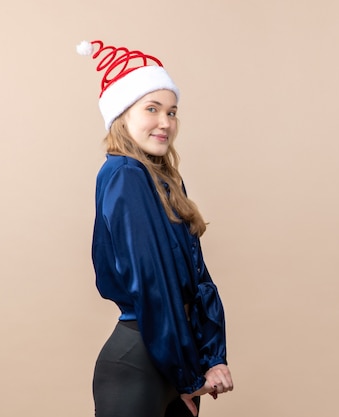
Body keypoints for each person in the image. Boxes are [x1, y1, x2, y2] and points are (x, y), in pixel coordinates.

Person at [77, 39, 234, 417]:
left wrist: (212, 358)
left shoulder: (165, 180)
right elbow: (153, 285)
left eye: (172, 111)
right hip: (140, 362)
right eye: (152, 109)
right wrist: (187, 375)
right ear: (122, 116)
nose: (166, 122)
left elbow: (198, 280)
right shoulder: (124, 174)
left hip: (176, 355)